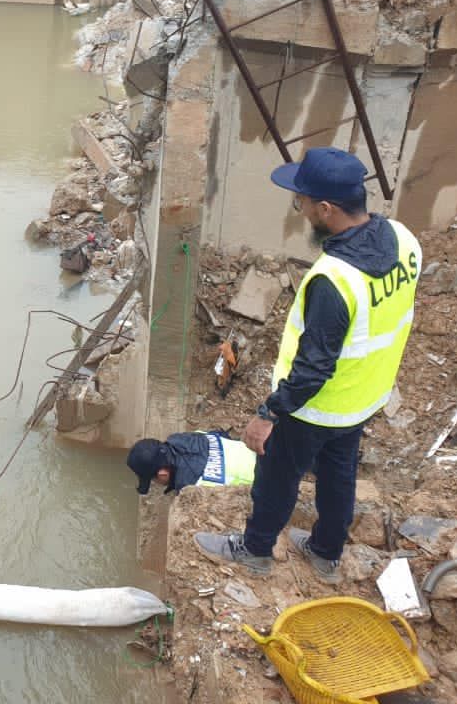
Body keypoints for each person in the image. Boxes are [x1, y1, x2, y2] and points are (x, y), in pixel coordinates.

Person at [195, 147, 421, 583]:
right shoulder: (403, 239)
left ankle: (256, 550)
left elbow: (314, 369)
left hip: (314, 406)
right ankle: (325, 554)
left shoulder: (334, 280)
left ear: (326, 208)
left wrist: (268, 414)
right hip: (364, 396)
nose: (298, 209)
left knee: (275, 477)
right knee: (339, 476)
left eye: (301, 201)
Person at [126, 430, 256, 495]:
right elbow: (222, 435)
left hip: (266, 486)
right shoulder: (191, 436)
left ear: (163, 474)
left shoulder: (191, 489)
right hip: (265, 454)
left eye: (152, 480)